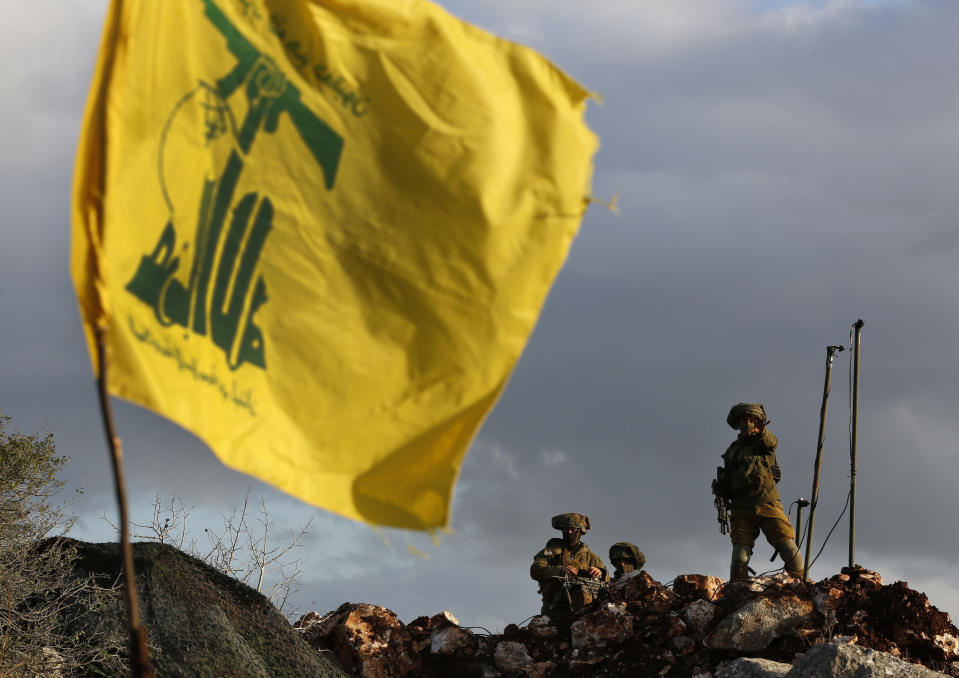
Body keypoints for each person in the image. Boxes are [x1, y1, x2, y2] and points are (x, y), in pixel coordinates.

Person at [713, 403, 804, 581]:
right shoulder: (732, 451)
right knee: (740, 558)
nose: (747, 423)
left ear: (757, 422)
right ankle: (736, 594)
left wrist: (762, 433)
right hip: (741, 509)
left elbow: (771, 442)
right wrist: (721, 488)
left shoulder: (764, 443)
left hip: (768, 504)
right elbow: (728, 478)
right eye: (743, 420)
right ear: (737, 423)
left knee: (793, 556)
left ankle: (797, 590)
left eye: (751, 420)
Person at [530, 513, 609, 621]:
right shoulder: (551, 551)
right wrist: (559, 570)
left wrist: (600, 571)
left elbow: (606, 578)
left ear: (580, 531)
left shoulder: (590, 556)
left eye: (573, 529)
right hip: (554, 608)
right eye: (566, 530)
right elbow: (535, 570)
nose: (569, 532)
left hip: (583, 610)